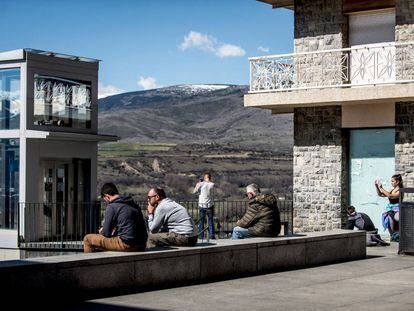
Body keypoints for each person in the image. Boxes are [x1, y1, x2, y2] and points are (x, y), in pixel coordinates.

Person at [83, 183, 148, 253]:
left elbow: (106, 233)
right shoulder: (133, 204)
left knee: (88, 239)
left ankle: (88, 263)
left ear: (106, 196)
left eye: (104, 199)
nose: (106, 202)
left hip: (127, 244)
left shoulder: (112, 206)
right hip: (141, 244)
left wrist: (101, 230)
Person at [375, 174, 403, 241]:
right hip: (390, 210)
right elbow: (380, 194)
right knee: (389, 220)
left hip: (398, 210)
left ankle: (396, 236)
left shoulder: (400, 191)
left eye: (393, 181)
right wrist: (377, 187)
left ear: (397, 182)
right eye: (391, 181)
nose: (391, 183)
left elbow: (390, 196)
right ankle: (393, 237)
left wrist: (382, 188)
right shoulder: (392, 190)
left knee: (395, 218)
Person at [193, 172, 215, 239]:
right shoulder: (212, 184)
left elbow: (194, 191)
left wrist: (199, 184)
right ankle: (212, 236)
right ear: (210, 178)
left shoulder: (200, 184)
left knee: (201, 222)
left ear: (204, 177)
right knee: (210, 221)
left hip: (202, 205)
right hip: (210, 205)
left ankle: (200, 236)